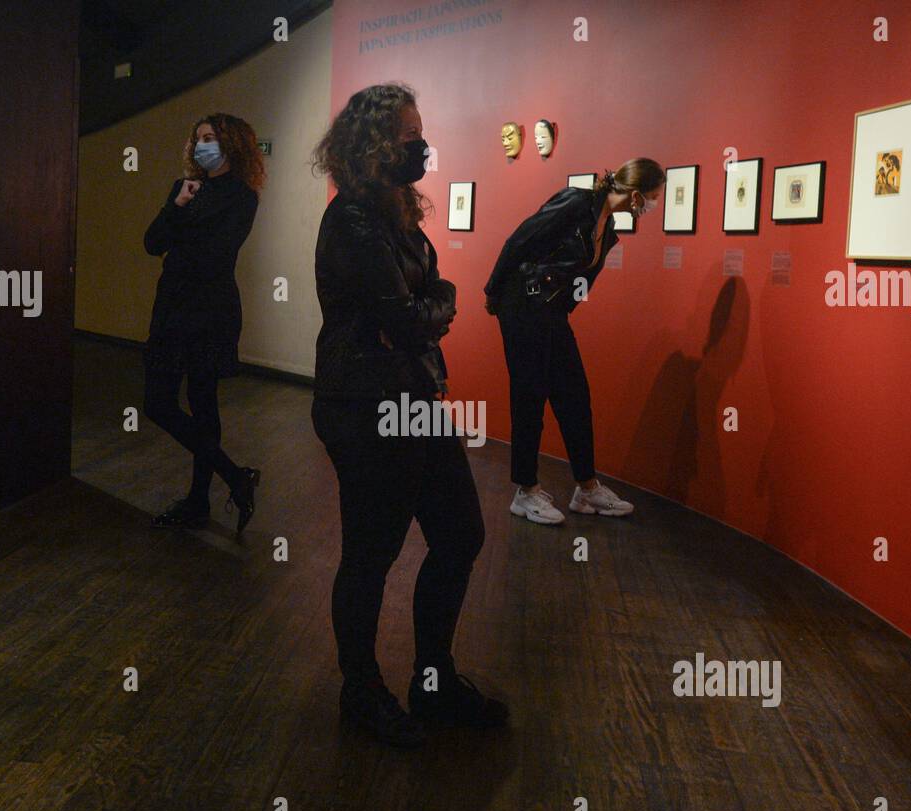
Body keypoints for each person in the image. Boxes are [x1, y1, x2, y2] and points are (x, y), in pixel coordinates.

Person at [311, 83, 507, 748]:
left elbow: (421, 308)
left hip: (415, 396)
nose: (419, 146)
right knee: (371, 554)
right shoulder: (352, 221)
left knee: (460, 534)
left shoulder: (395, 215)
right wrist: (434, 308)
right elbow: (405, 317)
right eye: (407, 136)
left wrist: (430, 308)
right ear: (372, 144)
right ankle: (360, 691)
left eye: (420, 134)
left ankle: (433, 683)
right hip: (365, 405)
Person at [484, 159, 665, 524]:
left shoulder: (608, 225)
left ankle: (586, 487)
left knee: (574, 396)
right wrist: (494, 293)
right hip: (523, 307)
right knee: (529, 397)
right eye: (652, 198)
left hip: (551, 314)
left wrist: (563, 309)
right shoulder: (576, 203)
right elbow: (519, 240)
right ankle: (525, 490)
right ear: (634, 194)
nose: (652, 206)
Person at [142, 113, 263, 534]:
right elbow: (151, 243)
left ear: (231, 144)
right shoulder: (184, 188)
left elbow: (214, 254)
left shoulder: (243, 197)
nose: (200, 146)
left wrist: (182, 234)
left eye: (209, 138)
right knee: (156, 403)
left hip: (210, 311)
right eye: (197, 140)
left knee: (203, 402)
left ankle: (198, 501)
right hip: (172, 306)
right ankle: (235, 476)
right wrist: (177, 206)